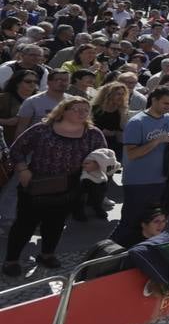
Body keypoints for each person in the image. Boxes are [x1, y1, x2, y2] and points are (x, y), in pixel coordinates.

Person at [4, 97, 108, 275]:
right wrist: (22, 170)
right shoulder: (42, 129)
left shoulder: (93, 133)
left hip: (70, 186)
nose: (82, 113)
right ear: (63, 111)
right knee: (25, 224)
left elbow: (106, 155)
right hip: (36, 184)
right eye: (77, 109)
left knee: (56, 223)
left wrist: (96, 164)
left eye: (85, 109)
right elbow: (16, 150)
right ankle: (11, 260)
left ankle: (46, 254)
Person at [116, 87, 169, 246]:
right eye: (165, 103)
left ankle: (142, 253)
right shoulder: (136, 122)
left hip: (163, 179)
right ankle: (107, 256)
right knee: (130, 222)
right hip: (138, 182)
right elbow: (131, 154)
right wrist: (157, 141)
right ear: (154, 100)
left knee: (153, 225)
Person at [16, 68, 71, 137]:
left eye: (66, 80)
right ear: (48, 82)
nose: (63, 83)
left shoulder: (73, 101)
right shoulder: (32, 101)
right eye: (58, 80)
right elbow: (21, 129)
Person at [77, 147, 120, 221]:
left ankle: (97, 206)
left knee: (101, 187)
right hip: (84, 175)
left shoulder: (104, 151)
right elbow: (107, 164)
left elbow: (108, 164)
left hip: (97, 174)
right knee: (81, 194)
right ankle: (79, 211)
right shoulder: (99, 154)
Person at [90, 80, 129, 162]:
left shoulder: (122, 110)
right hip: (97, 143)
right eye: (118, 94)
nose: (121, 97)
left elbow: (123, 128)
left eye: (123, 94)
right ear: (109, 95)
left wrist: (123, 114)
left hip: (115, 145)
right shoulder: (96, 109)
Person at [0, 68, 39, 146]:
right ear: (17, 83)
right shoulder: (3, 98)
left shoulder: (41, 99)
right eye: (28, 81)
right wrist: (6, 121)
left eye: (35, 82)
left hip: (33, 142)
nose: (32, 84)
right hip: (6, 141)